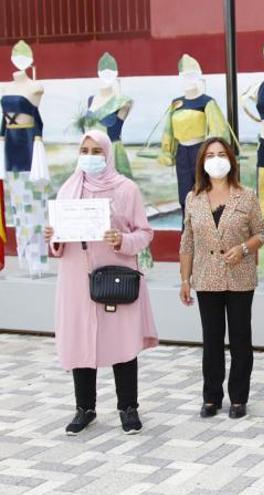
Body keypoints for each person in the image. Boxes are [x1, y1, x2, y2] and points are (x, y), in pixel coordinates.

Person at [43, 130, 158, 436]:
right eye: (85, 150)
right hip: (75, 280)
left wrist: (123, 239)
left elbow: (145, 233)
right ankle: (85, 408)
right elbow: (60, 241)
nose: (90, 156)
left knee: (122, 341)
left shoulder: (126, 188)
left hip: (115, 275)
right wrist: (52, 238)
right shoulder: (68, 189)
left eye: (97, 151)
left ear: (108, 154)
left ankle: (128, 408)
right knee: (81, 339)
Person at [179, 137, 264, 420]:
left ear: (230, 159)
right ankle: (211, 397)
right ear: (202, 163)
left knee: (241, 338)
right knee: (212, 340)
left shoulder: (247, 195)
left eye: (221, 154)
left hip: (240, 277)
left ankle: (239, 398)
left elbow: (262, 234)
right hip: (206, 278)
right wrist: (184, 279)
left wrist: (244, 249)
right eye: (209, 155)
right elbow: (187, 242)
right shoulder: (193, 198)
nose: (215, 159)